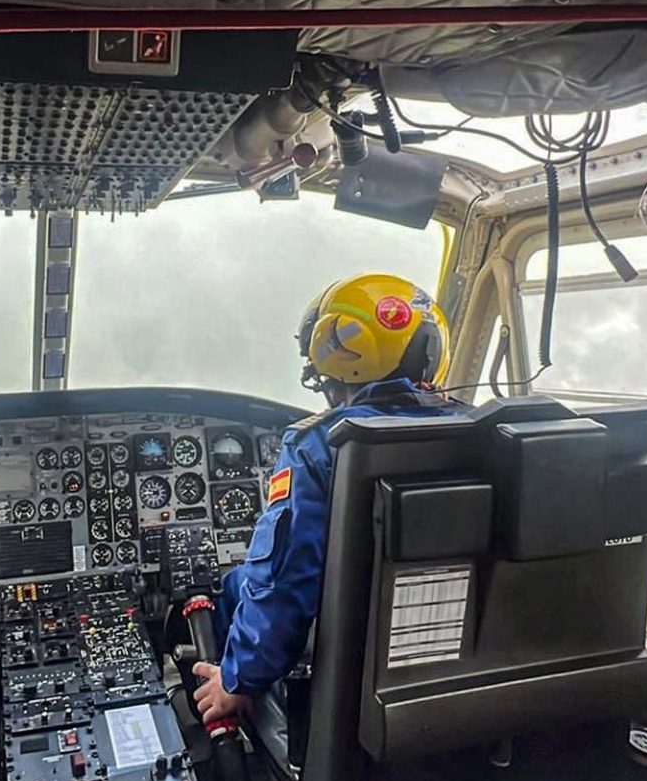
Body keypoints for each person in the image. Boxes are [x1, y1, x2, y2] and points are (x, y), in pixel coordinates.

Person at [192, 274, 469, 724]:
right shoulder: (486, 429)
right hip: (458, 659)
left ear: (338, 353)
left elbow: (282, 583)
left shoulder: (320, 445)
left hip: (353, 678)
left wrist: (238, 678)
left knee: (238, 584)